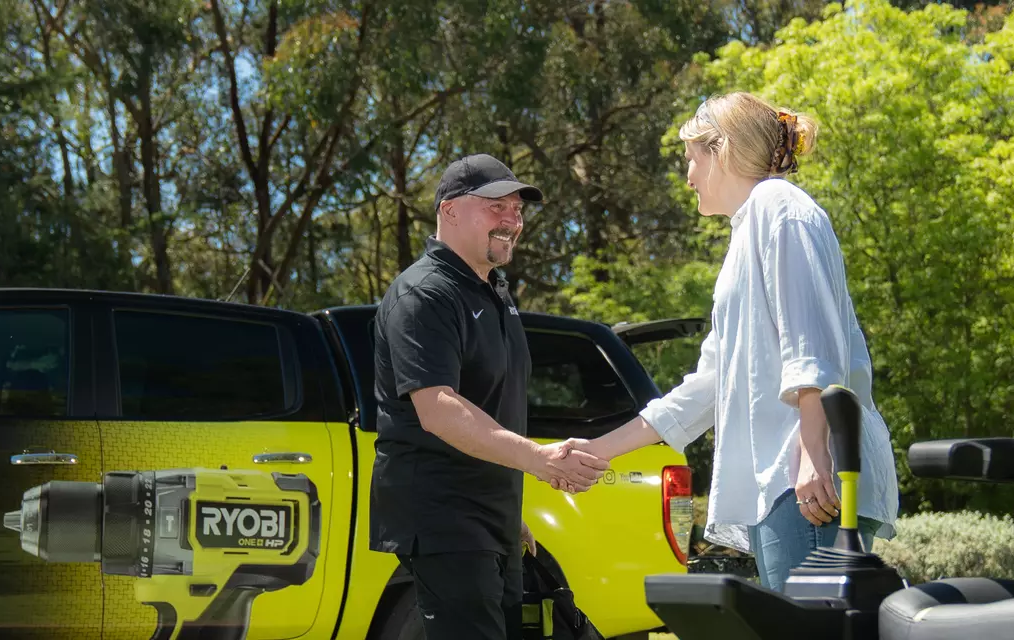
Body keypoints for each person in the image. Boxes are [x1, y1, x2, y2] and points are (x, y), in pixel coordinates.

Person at [575, 92, 899, 592]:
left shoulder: (780, 207)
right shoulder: (748, 233)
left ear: (721, 150)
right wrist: (598, 451)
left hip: (808, 478)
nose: (688, 177)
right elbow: (706, 388)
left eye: (691, 159)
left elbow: (809, 342)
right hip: (786, 484)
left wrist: (813, 453)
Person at [369, 153, 610, 640]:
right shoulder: (423, 294)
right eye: (496, 206)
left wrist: (508, 510)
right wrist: (539, 459)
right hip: (443, 515)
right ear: (450, 210)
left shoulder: (492, 292)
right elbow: (438, 410)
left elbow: (488, 405)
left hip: (491, 517)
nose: (512, 220)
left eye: (517, 210)